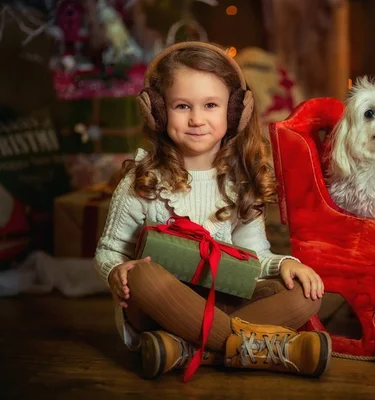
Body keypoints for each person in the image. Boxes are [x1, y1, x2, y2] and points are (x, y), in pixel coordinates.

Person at [94, 41, 331, 380]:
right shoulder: (143, 179)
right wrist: (116, 272)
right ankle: (273, 350)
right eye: (181, 106)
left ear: (234, 112)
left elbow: (252, 258)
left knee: (304, 294)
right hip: (162, 306)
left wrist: (286, 263)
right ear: (158, 111)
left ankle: (188, 349)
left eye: (210, 105)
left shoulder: (239, 181)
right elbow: (108, 251)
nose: (196, 119)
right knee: (142, 275)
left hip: (224, 300)